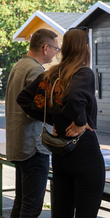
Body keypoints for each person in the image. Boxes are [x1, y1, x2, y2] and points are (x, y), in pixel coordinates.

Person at [17, 27, 105, 217]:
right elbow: (74, 98)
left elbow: (24, 98)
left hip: (61, 155)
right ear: (85, 47)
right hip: (84, 152)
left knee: (61, 213)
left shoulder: (51, 73)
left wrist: (53, 120)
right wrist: (80, 121)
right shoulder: (83, 73)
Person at [5, 28, 58, 218]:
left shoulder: (19, 65)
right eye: (55, 48)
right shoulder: (35, 70)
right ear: (45, 48)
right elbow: (38, 109)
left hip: (19, 144)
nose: (56, 53)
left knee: (21, 203)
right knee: (32, 206)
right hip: (33, 146)